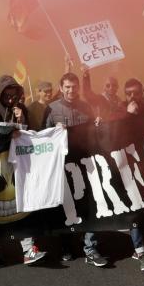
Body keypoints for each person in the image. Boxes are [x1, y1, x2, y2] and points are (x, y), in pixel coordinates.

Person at [0, 75, 45, 264]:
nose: (11, 99)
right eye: (7, 95)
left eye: (14, 95)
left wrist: (22, 120)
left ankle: (28, 249)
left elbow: (29, 133)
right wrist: (7, 132)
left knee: (23, 205)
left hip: (17, 164)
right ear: (0, 94)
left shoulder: (20, 109)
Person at [44, 73, 108, 267]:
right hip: (63, 167)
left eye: (75, 87)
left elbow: (93, 134)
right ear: (61, 88)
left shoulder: (86, 107)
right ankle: (66, 245)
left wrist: (97, 125)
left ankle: (90, 248)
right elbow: (42, 137)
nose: (72, 90)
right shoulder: (51, 109)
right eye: (68, 87)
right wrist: (54, 129)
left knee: (91, 203)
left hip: (85, 164)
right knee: (66, 207)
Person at [121, 78, 144, 272]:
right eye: (129, 93)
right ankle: (141, 251)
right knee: (134, 208)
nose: (132, 96)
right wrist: (128, 115)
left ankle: (139, 246)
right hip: (128, 167)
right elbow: (115, 133)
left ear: (142, 92)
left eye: (136, 92)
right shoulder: (119, 110)